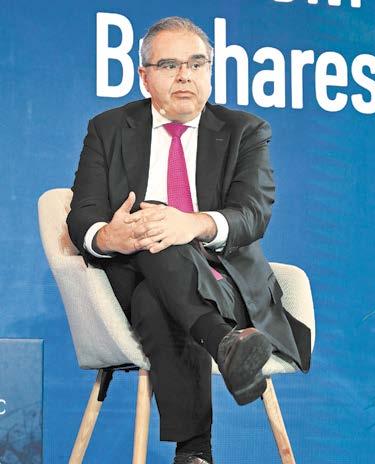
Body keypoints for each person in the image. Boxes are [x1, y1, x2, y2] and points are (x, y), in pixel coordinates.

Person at [67, 16, 311, 464]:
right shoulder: (108, 129)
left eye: (197, 64)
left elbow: (252, 214)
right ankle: (224, 344)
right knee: (151, 231)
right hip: (133, 274)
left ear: (209, 71)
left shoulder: (245, 131)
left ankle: (194, 451)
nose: (185, 75)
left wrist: (191, 225)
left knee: (156, 285)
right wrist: (109, 236)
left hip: (225, 286)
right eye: (169, 65)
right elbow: (82, 213)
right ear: (145, 76)